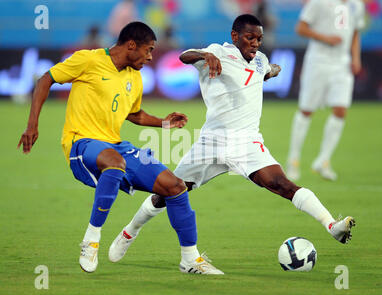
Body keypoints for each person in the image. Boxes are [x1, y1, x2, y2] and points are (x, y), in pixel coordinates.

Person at [108, 14, 356, 273]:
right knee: (168, 193)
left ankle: (332, 226)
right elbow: (185, 56)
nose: (255, 43)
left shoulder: (259, 60)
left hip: (246, 142)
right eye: (250, 37)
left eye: (259, 38)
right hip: (211, 142)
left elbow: (257, 74)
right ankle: (129, 232)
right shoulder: (218, 52)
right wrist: (206, 57)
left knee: (282, 184)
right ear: (235, 36)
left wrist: (271, 71)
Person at [17, 21, 223, 275]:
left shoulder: (134, 77)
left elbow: (134, 115)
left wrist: (164, 123)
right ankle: (91, 241)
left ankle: (190, 259)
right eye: (148, 50)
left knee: (175, 186)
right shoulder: (88, 60)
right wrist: (32, 125)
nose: (150, 57)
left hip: (115, 145)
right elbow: (45, 79)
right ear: (131, 45)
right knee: (115, 162)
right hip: (81, 143)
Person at [286, 0, 365, 181]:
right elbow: (301, 28)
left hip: (342, 64)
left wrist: (355, 58)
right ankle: (293, 160)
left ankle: (323, 160)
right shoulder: (319, 2)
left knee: (340, 110)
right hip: (318, 62)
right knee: (306, 110)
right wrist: (325, 38)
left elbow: (354, 32)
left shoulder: (356, 5)